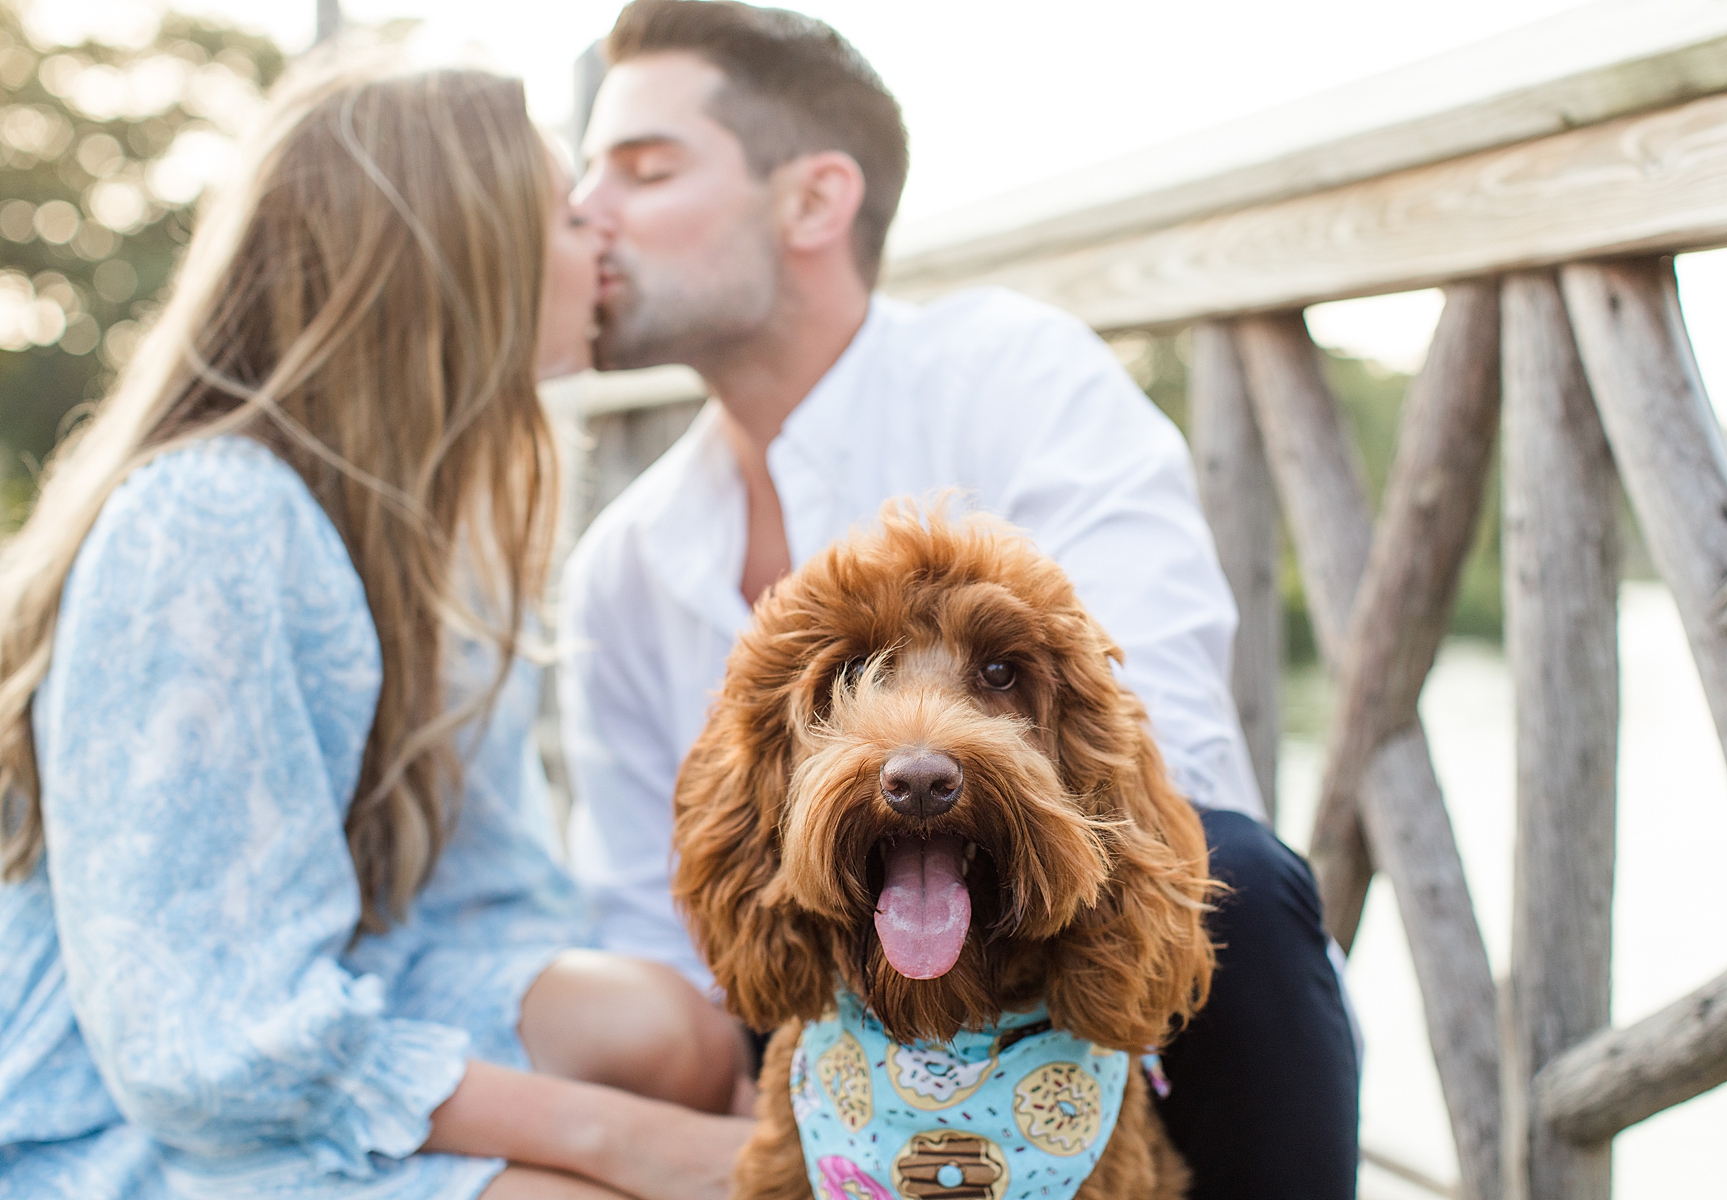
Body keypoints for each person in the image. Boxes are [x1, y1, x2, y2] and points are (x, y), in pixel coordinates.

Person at [556, 4, 1360, 1198]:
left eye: (645, 167)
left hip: (1089, 1004)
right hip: (815, 1045)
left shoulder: (1018, 378)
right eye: (583, 174)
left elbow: (1149, 760)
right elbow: (652, 926)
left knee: (1232, 870)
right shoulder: (620, 562)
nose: (585, 212)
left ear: (815, 201)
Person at [0, 59, 753, 1200]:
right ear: (461, 257)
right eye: (559, 211)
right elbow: (203, 1049)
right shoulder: (206, 516)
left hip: (356, 994)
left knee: (672, 1032)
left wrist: (762, 1122)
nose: (599, 231)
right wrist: (620, 1140)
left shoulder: (451, 531)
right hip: (127, 1103)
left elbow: (495, 899)